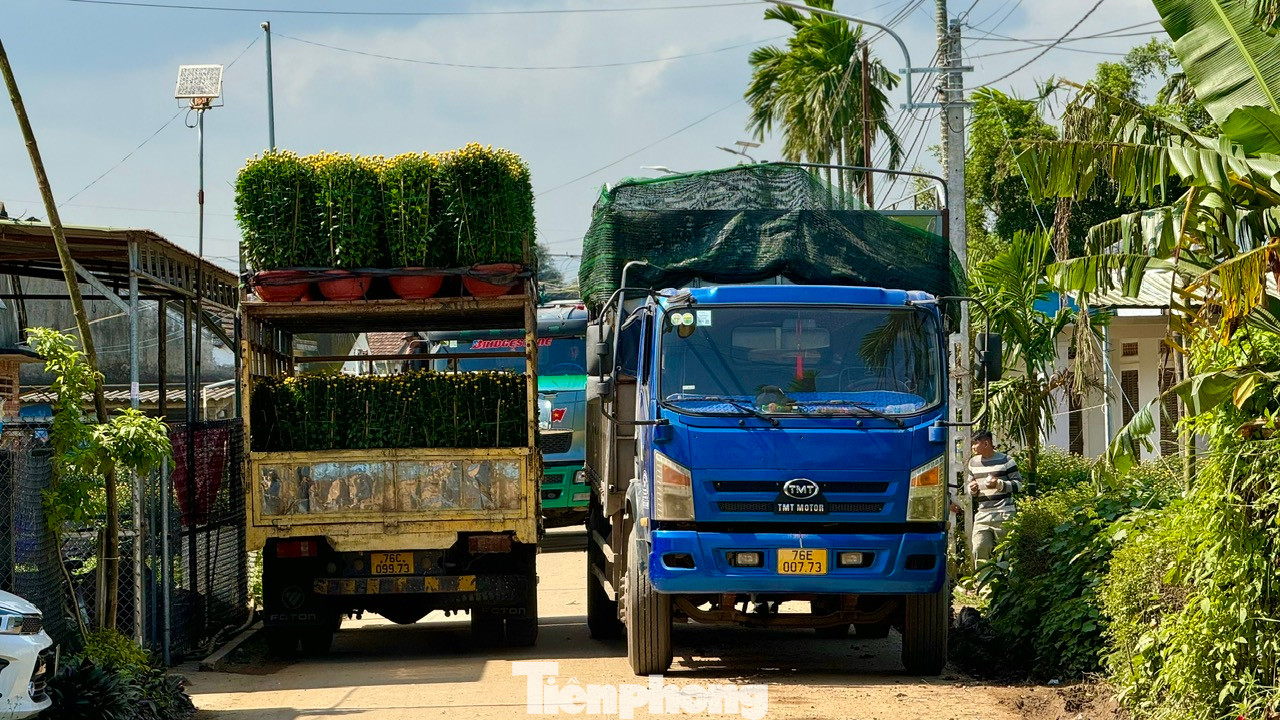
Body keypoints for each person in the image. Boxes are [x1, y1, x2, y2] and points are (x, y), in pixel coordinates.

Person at [965, 430, 1023, 567]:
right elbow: (969, 485)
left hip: (1004, 514)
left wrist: (999, 484)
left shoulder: (1006, 461)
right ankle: (983, 585)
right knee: (978, 549)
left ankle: (1006, 586)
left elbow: (1019, 485)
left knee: (1006, 553)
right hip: (982, 515)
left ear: (986, 443)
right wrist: (972, 489)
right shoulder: (973, 463)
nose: (973, 447)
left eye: (975, 443)